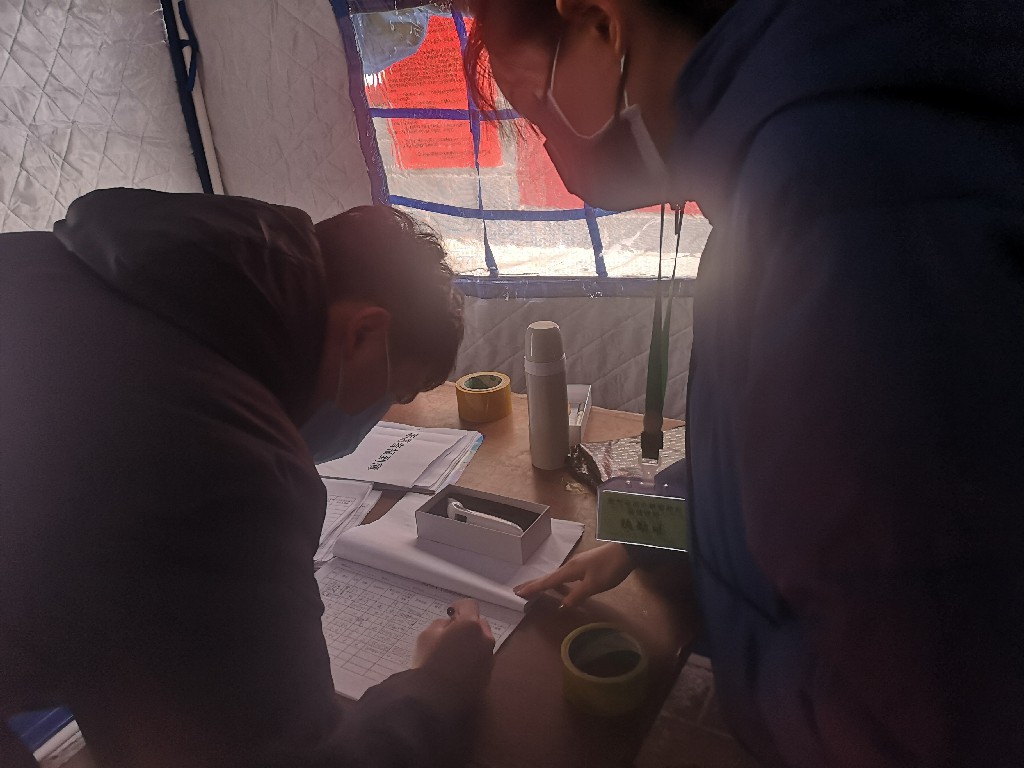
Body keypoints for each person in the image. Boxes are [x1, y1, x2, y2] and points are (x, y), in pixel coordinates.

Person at [461, 0, 1024, 765]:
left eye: (535, 108)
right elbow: (777, 464)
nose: (550, 148)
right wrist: (648, 536)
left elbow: (919, 705)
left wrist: (753, 697)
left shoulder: (839, 197)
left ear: (601, 21)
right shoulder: (795, 151)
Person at [0, 188, 495, 767]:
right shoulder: (228, 465)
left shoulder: (41, 262)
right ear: (362, 333)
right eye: (394, 392)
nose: (379, 414)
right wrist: (437, 687)